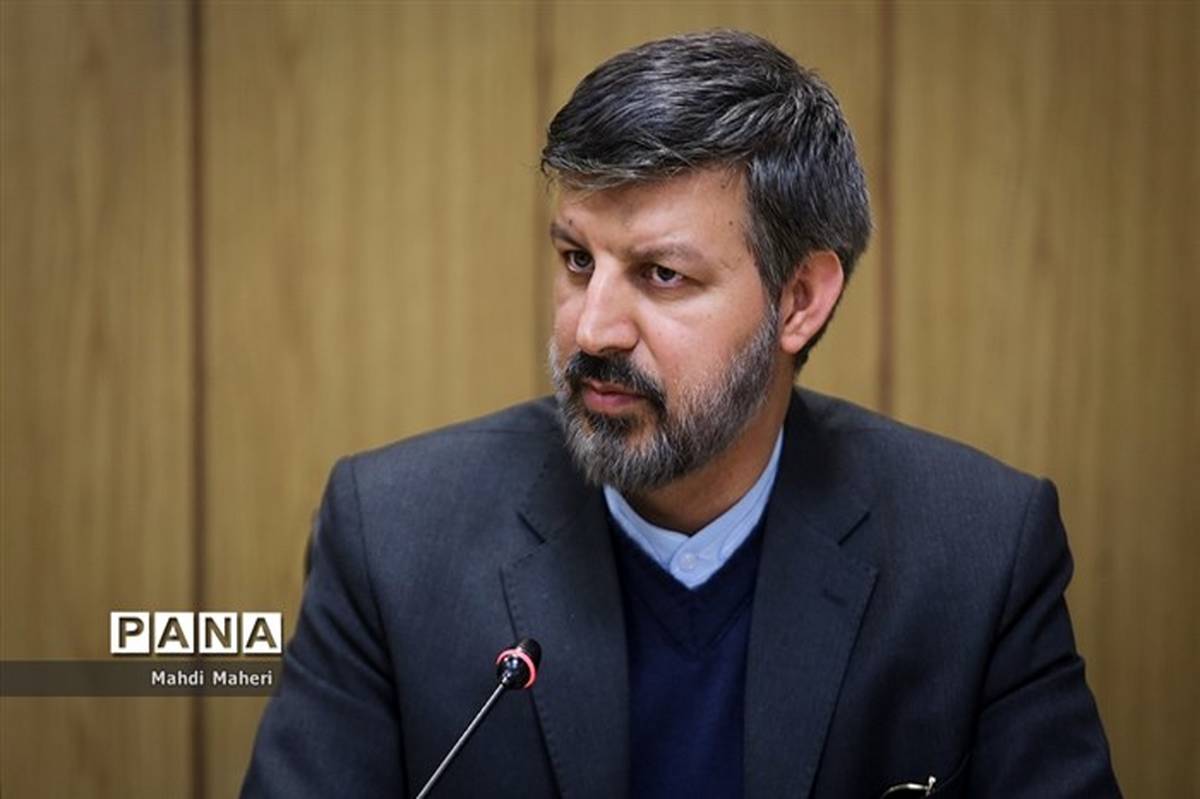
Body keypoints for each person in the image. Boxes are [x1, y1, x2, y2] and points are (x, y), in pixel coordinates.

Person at [243, 30, 1120, 798]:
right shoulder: (392, 538)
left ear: (800, 299)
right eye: (577, 260)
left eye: (662, 274)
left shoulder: (978, 552)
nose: (593, 329)